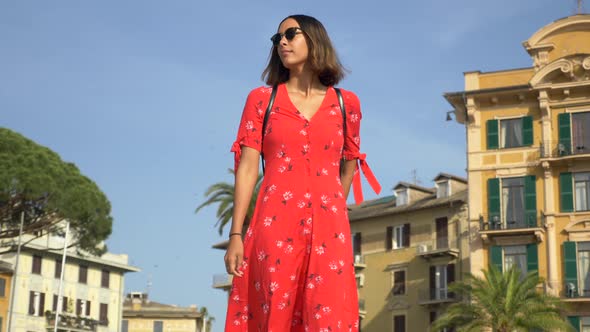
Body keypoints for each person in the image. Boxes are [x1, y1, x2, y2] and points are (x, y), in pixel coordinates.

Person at [225, 14, 381, 331]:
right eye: (277, 38)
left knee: (329, 316)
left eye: (291, 34)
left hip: (329, 231)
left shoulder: (346, 103)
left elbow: (349, 162)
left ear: (314, 39)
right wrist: (236, 234)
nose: (281, 41)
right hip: (274, 225)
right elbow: (247, 168)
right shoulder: (261, 100)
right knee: (274, 312)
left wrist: (333, 207)